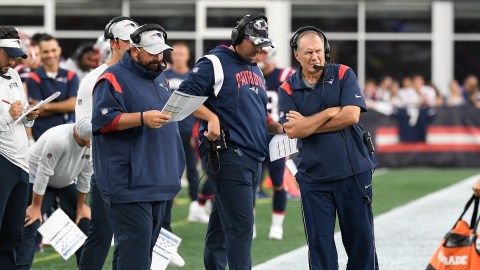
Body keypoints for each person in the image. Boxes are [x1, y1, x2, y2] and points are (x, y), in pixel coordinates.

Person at [177, 13, 283, 269]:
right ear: (238, 37)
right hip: (229, 154)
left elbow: (258, 113)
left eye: (262, 44)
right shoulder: (214, 62)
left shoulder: (254, 68)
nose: (259, 48)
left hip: (254, 158)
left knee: (221, 223)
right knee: (242, 227)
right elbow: (181, 97)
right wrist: (210, 116)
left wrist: (279, 127)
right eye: (254, 42)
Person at [278, 26, 378, 269]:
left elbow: (351, 116)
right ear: (297, 56)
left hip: (353, 172)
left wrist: (308, 124)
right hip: (313, 178)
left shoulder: (344, 73)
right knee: (319, 244)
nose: (316, 57)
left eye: (320, 51)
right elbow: (292, 130)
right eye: (309, 52)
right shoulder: (287, 88)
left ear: (327, 51)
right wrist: (330, 112)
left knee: (361, 242)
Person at [91, 23, 184, 270]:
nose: (158, 57)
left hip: (158, 180)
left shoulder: (161, 78)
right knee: (136, 253)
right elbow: (102, 121)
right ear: (133, 50)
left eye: (161, 51)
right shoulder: (112, 77)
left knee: (138, 254)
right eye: (152, 51)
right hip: (128, 183)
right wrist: (142, 117)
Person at [75, 16, 138, 270]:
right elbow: (81, 127)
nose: (134, 47)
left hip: (139, 166)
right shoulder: (94, 78)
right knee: (102, 234)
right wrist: (118, 123)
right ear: (113, 43)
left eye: (137, 42)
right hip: (107, 167)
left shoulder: (141, 75)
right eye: (128, 42)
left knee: (132, 237)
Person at [16, 123, 92, 269]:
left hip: (64, 183)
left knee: (84, 223)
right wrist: (35, 207)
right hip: (35, 178)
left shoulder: (93, 142)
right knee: (30, 224)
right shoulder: (58, 139)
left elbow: (85, 177)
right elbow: (43, 174)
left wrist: (81, 207)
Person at [0, 26, 39, 270]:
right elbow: (8, 116)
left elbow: (21, 115)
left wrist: (30, 115)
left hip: (20, 163)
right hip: (2, 159)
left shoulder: (14, 75)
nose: (13, 60)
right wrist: (7, 115)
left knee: (12, 233)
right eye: (9, 54)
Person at [164, 42, 211, 225]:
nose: (178, 57)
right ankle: (167, 202)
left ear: (188, 56)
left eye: (182, 54)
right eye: (176, 54)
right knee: (169, 167)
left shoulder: (194, 75)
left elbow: (201, 104)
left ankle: (195, 205)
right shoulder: (164, 75)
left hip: (188, 129)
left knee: (192, 168)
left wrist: (196, 129)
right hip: (168, 129)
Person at [254, 44, 295, 240]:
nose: (261, 56)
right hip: (254, 134)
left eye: (264, 53)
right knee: (252, 182)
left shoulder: (285, 75)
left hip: (278, 134)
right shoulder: (250, 74)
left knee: (278, 181)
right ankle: (250, 224)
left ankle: (277, 225)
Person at [26, 34, 79, 141]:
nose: (51, 55)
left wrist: (46, 106)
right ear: (39, 53)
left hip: (68, 136)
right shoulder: (33, 78)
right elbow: (37, 112)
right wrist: (63, 106)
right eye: (46, 51)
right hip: (42, 137)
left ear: (59, 50)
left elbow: (74, 104)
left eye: (53, 50)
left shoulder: (71, 75)